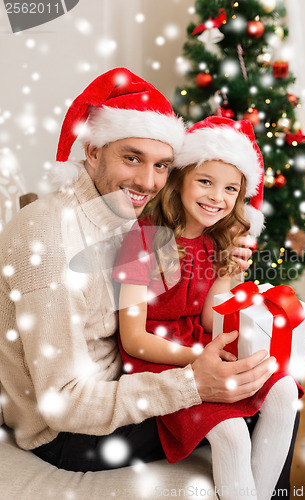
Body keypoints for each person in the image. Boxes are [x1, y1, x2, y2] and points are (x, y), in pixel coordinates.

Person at [0, 68, 275, 475]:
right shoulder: (47, 235)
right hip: (69, 433)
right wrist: (192, 383)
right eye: (132, 158)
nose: (148, 181)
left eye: (162, 165)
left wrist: (226, 259)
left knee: (275, 391)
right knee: (247, 413)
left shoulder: (127, 214)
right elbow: (64, 403)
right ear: (92, 150)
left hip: (124, 376)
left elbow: (183, 287)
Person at [112, 116, 303, 500]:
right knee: (231, 433)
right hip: (160, 358)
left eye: (230, 188)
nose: (218, 197)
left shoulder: (217, 239)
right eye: (205, 181)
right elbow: (133, 339)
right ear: (180, 178)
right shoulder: (143, 239)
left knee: (283, 389)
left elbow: (208, 319)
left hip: (202, 342)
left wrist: (228, 273)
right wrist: (198, 359)